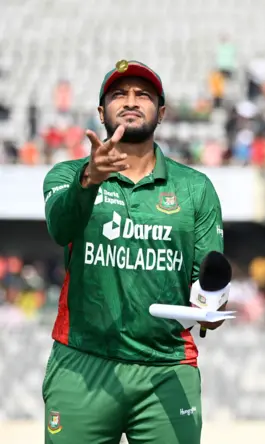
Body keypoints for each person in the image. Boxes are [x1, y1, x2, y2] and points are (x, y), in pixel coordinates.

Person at [41, 60, 226, 444]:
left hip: (167, 367)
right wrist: (90, 179)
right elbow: (61, 228)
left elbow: (208, 279)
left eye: (142, 95)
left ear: (161, 112)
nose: (130, 101)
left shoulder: (196, 188)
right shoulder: (66, 175)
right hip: (82, 363)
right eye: (118, 94)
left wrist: (210, 309)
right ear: (100, 112)